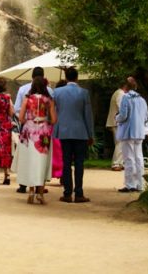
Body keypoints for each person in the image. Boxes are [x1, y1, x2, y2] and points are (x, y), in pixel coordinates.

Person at [52, 66, 94, 203]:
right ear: (77, 77)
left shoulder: (57, 92)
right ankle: (79, 192)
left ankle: (67, 192)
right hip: (80, 131)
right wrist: (90, 134)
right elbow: (88, 115)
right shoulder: (84, 93)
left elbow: (55, 112)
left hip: (64, 131)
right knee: (79, 163)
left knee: (66, 162)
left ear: (66, 77)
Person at [16, 76, 57, 204]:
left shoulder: (27, 99)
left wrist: (29, 120)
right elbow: (54, 120)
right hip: (43, 132)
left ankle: (31, 191)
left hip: (29, 131)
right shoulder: (48, 100)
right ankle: (40, 193)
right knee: (42, 162)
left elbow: (21, 117)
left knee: (30, 161)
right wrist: (45, 120)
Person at [115, 77, 148, 193]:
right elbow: (145, 116)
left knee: (129, 158)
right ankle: (140, 183)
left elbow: (123, 115)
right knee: (139, 157)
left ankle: (130, 184)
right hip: (139, 131)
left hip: (128, 131)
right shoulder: (142, 100)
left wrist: (116, 118)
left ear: (126, 87)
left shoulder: (126, 98)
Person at [106, 81, 128, 171]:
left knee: (120, 143)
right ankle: (116, 163)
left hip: (116, 121)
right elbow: (121, 107)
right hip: (117, 122)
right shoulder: (120, 94)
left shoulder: (118, 92)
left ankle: (120, 162)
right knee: (120, 142)